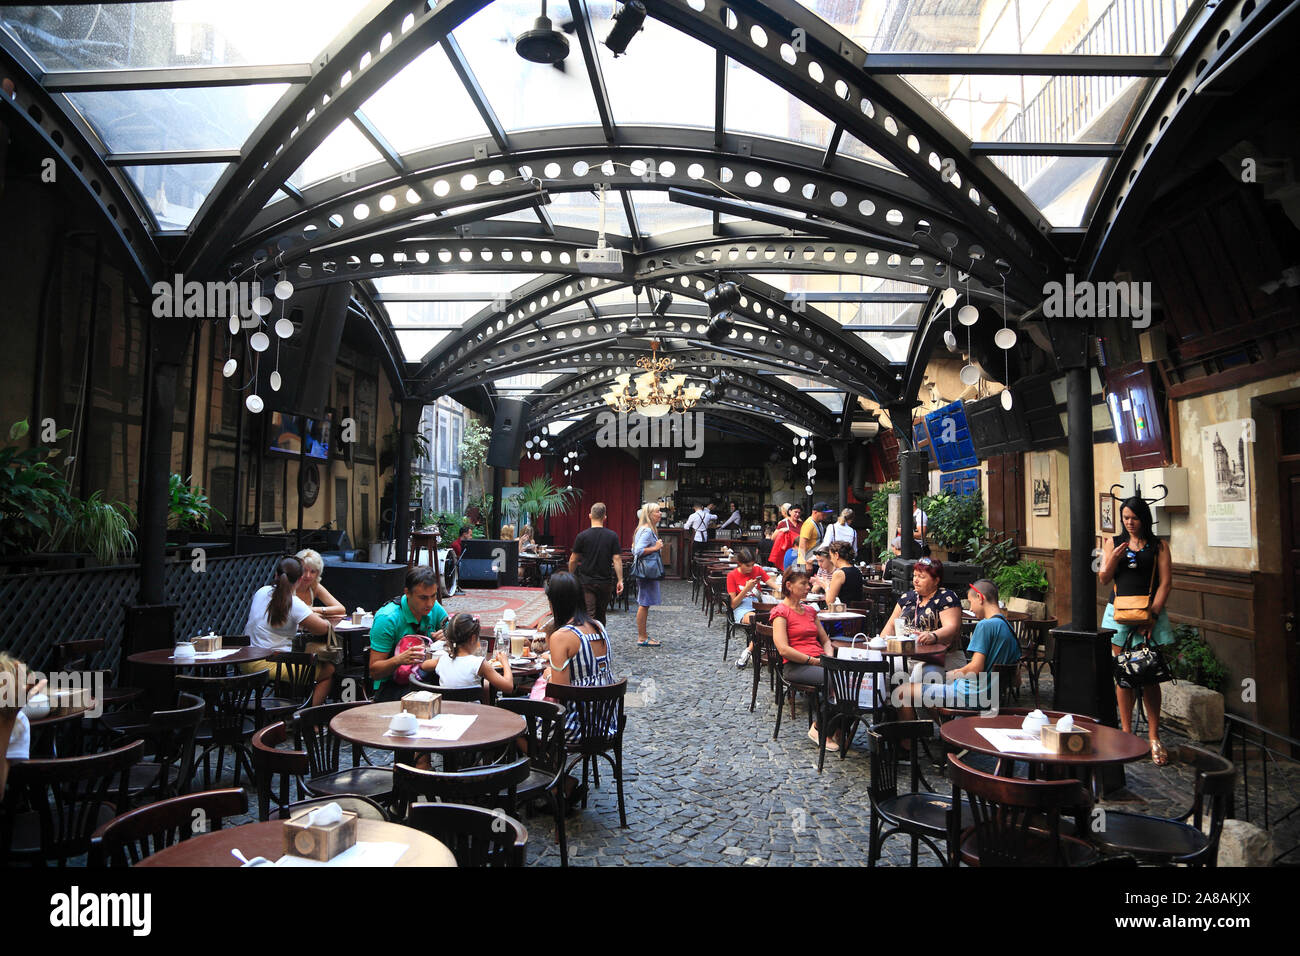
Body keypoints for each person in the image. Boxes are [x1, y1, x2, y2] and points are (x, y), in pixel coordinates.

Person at [1100, 495, 1174, 766]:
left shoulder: (1159, 546)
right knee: (1123, 674)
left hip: (1149, 614)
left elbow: (1166, 583)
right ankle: (1126, 734)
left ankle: (1154, 737)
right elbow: (1104, 578)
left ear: (1144, 519)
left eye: (1134, 518)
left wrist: (1153, 615)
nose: (1129, 523)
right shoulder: (1113, 543)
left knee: (1150, 674)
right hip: (1119, 613)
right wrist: (1113, 560)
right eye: (1125, 518)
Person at [898, 579, 1020, 719]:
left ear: (980, 598)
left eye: (970, 602)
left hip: (970, 695)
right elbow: (1017, 681)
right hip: (992, 696)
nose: (971, 609)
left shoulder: (985, 626)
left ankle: (911, 740)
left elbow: (975, 668)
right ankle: (946, 729)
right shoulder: (1009, 628)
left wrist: (952, 674)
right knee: (928, 682)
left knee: (903, 692)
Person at [241, 556, 336, 707]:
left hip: (245, 660)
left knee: (300, 662)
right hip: (269, 663)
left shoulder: (262, 591)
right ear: (299, 580)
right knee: (328, 669)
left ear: (276, 575)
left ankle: (287, 706)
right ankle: (307, 718)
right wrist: (315, 617)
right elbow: (322, 629)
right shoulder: (293, 603)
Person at [768, 569, 840, 751]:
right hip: (796, 665)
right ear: (789, 586)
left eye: (808, 584)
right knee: (835, 680)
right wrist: (812, 661)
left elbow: (825, 640)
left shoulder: (810, 611)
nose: (808, 587)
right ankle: (820, 728)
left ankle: (838, 728)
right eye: (803, 584)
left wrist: (829, 656)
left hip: (819, 661)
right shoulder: (780, 612)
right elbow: (783, 649)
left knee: (853, 681)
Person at [544, 572, 617, 745]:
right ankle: (551, 764)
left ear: (555, 602)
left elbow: (559, 691)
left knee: (514, 719)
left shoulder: (562, 636)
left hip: (576, 726)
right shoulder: (598, 626)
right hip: (606, 722)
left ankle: (548, 767)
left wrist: (548, 674)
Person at [368, 566, 450, 702]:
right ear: (407, 593)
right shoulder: (387, 618)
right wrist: (399, 660)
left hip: (426, 679)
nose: (429, 603)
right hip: (392, 687)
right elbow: (375, 671)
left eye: (433, 596)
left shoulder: (434, 607)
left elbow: (457, 635)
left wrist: (448, 636)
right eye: (423, 598)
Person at [880, 557, 964, 685]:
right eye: (914, 576)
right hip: (908, 657)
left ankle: (913, 703)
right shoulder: (908, 597)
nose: (916, 580)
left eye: (922, 577)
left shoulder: (946, 597)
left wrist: (933, 636)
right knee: (880, 667)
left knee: (919, 672)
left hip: (943, 657)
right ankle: (886, 703)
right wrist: (880, 644)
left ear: (936, 580)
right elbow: (891, 625)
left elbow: (952, 627)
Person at [433, 612, 515, 697]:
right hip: (473, 710)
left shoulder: (442, 660)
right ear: (473, 638)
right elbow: (508, 687)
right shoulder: (479, 663)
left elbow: (423, 665)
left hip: (447, 709)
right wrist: (505, 662)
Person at [568, 502, 624, 626]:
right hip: (605, 581)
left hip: (586, 581)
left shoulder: (582, 536)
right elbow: (617, 559)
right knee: (601, 614)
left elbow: (573, 560)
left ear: (589, 516)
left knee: (589, 614)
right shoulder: (612, 536)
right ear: (605, 517)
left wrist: (570, 576)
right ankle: (600, 640)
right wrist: (620, 580)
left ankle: (590, 641)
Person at [727, 547, 779, 668]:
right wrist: (746, 589)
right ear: (740, 564)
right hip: (742, 608)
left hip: (759, 604)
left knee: (774, 618)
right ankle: (755, 650)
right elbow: (733, 604)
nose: (751, 568)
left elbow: (772, 583)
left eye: (752, 565)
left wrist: (782, 590)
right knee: (759, 621)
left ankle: (749, 651)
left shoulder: (757, 570)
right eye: (748, 566)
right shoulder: (732, 576)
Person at [632, 502, 665, 647]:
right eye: (657, 512)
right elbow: (638, 551)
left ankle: (643, 635)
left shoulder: (643, 529)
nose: (660, 514)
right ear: (650, 514)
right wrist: (656, 547)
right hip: (646, 572)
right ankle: (642, 637)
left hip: (646, 572)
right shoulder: (646, 531)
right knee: (644, 604)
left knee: (644, 603)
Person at [294, 548, 346, 620]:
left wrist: (313, 609)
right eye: (304, 570)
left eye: (312, 571)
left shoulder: (315, 586)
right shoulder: (288, 585)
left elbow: (341, 609)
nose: (308, 575)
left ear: (318, 573)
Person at [823, 541, 864, 609]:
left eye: (831, 556)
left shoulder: (839, 573)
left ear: (836, 555)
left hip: (844, 613)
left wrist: (826, 586)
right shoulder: (857, 570)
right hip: (858, 612)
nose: (831, 560)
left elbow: (830, 602)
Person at [798, 502, 832, 570]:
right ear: (815, 512)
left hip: (817, 560)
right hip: (810, 562)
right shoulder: (809, 524)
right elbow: (802, 544)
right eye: (823, 514)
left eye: (826, 514)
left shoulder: (819, 523)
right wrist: (803, 563)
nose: (825, 516)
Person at [769, 503, 802, 568]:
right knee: (789, 571)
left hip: (800, 552)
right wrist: (781, 530)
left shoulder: (801, 523)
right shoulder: (783, 523)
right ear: (790, 512)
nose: (797, 514)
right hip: (788, 552)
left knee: (799, 571)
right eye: (795, 512)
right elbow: (773, 538)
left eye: (799, 513)